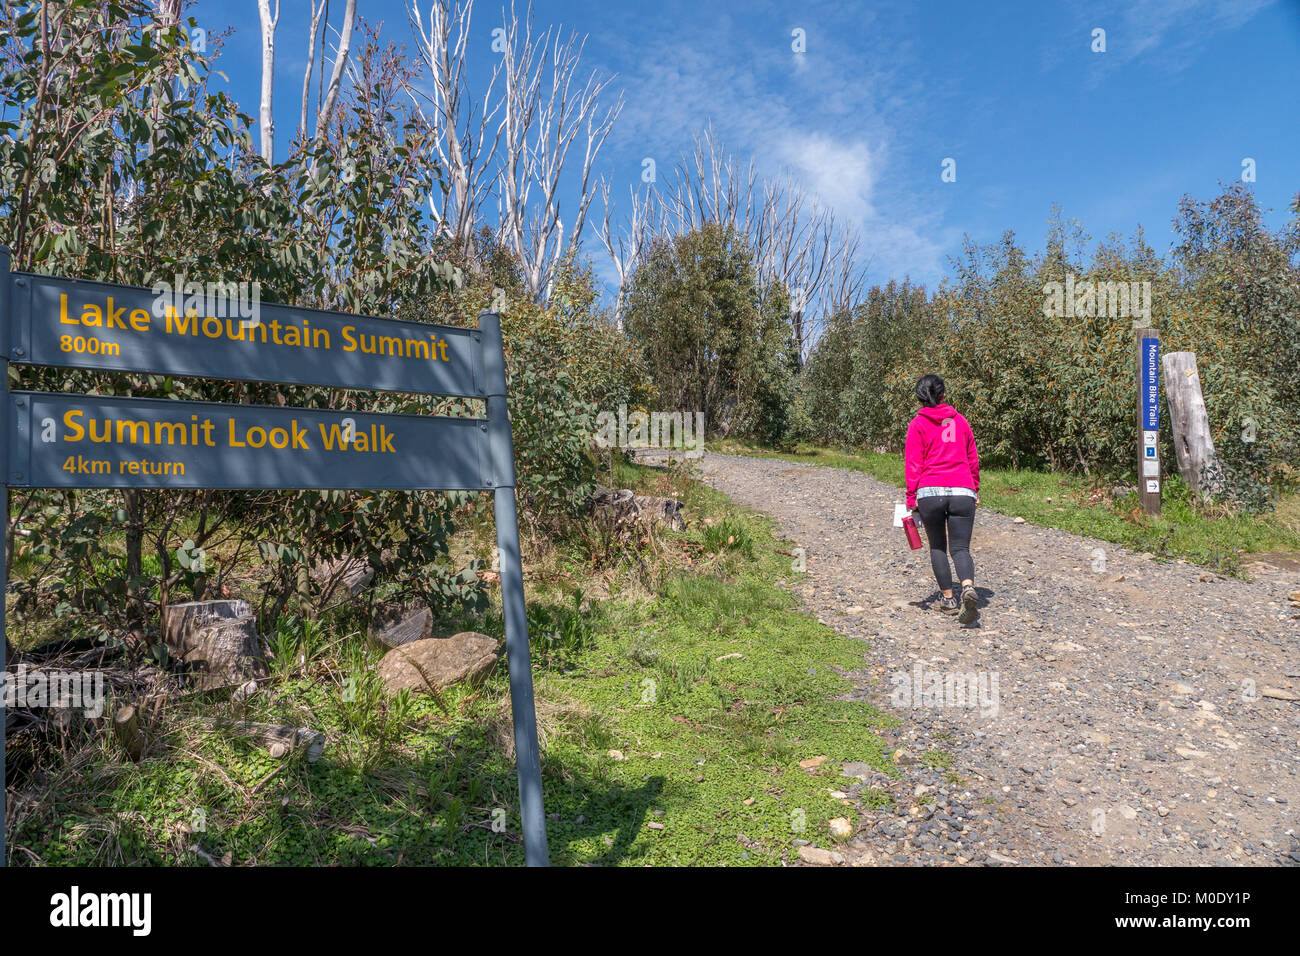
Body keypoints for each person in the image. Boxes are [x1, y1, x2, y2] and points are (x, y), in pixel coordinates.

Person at [904, 374, 981, 623]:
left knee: (938, 546)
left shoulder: (917, 424)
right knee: (961, 547)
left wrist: (910, 498)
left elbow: (913, 464)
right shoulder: (961, 422)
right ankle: (968, 587)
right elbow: (972, 460)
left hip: (930, 492)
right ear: (944, 396)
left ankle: (948, 599)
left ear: (919, 398)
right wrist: (974, 489)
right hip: (962, 491)